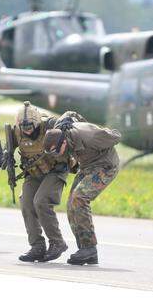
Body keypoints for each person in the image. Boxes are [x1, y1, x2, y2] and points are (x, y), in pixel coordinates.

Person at [43, 112, 121, 265]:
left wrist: (97, 131)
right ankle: (86, 251)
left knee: (79, 198)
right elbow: (70, 113)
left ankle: (89, 248)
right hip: (87, 167)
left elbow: (115, 136)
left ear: (63, 143)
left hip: (105, 166)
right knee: (71, 204)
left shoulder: (89, 135)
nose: (56, 156)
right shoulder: (59, 132)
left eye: (56, 152)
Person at [9, 101, 69, 262]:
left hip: (55, 171)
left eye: (30, 125)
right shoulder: (16, 132)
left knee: (41, 201)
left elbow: (68, 142)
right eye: (23, 126)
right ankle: (37, 246)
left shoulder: (50, 125)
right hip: (33, 172)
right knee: (27, 202)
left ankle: (57, 242)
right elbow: (10, 148)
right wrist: (6, 156)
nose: (27, 129)